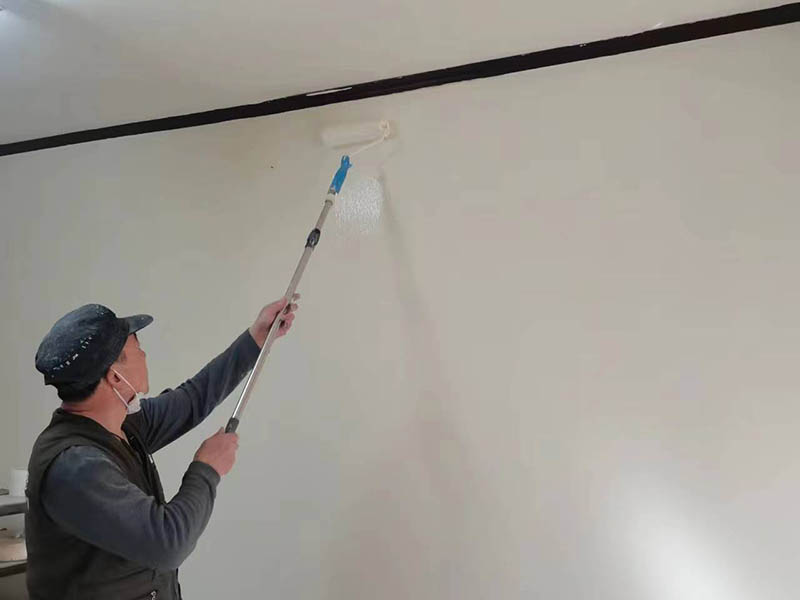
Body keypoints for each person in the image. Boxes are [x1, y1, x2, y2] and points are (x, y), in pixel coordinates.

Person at [25, 297, 298, 599]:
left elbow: (193, 398)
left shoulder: (121, 425)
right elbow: (168, 544)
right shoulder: (75, 467)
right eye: (137, 347)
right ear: (115, 376)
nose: (144, 354)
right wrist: (206, 469)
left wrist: (257, 337)